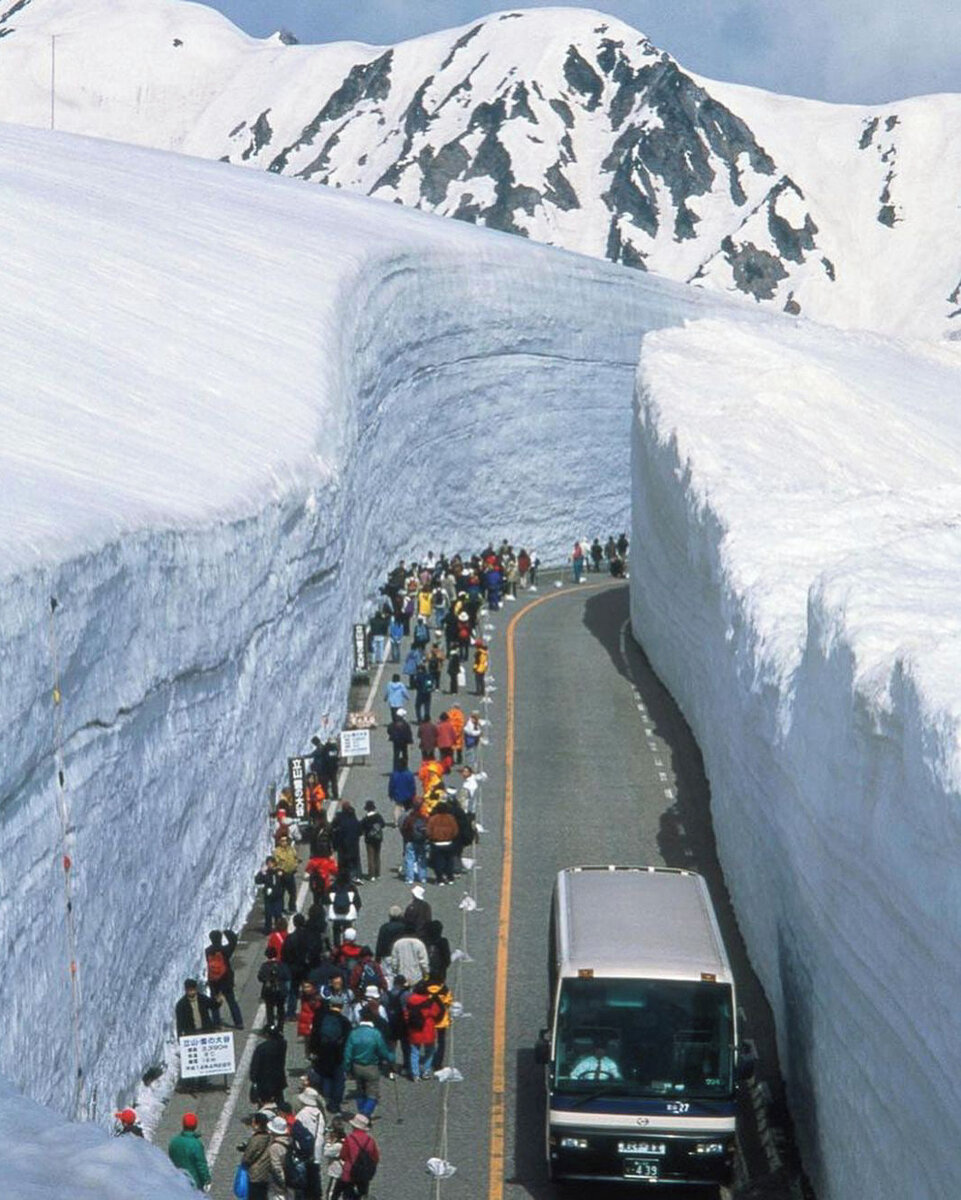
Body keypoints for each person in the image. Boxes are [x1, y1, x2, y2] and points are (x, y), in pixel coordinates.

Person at [342, 1005, 395, 1116]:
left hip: (356, 1066)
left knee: (360, 1092)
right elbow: (382, 1051)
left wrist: (347, 1068)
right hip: (372, 1066)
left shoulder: (354, 1033)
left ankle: (361, 1113)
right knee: (372, 1094)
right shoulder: (375, 1033)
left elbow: (347, 1053)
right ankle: (365, 1115)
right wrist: (390, 1058)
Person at [308, 995, 351, 1114]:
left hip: (323, 1052)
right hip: (338, 1054)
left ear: (330, 1005)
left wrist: (313, 1050)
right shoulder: (345, 1022)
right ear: (341, 1007)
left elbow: (314, 1035)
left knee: (326, 1076)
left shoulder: (322, 1018)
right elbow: (348, 1041)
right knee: (338, 1079)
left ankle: (326, 1098)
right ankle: (335, 1104)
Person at [404, 980, 444, 1080]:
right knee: (430, 1051)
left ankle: (415, 1074)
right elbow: (437, 1013)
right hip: (428, 1030)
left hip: (414, 1030)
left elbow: (406, 1015)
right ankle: (425, 1071)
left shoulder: (409, 1001)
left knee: (414, 1052)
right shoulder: (429, 1002)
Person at [205, 929, 244, 1030]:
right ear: (220, 938)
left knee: (214, 1002)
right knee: (232, 1002)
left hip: (214, 981)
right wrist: (226, 932)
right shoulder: (225, 950)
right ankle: (238, 1022)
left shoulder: (207, 951)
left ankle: (216, 1023)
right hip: (226, 980)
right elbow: (233, 940)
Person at [294, 1084, 326, 1200]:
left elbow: (296, 1131)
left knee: (303, 1177)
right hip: (316, 1150)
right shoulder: (319, 1114)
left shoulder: (302, 1114)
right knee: (315, 1176)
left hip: (304, 1150)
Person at [338, 1113, 379, 1199]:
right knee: (363, 1194)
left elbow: (343, 1155)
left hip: (349, 1172)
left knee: (348, 1194)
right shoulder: (370, 1140)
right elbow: (375, 1157)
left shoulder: (349, 1139)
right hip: (364, 1172)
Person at [168, 1111, 211, 1191]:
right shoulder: (196, 1144)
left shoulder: (174, 1141)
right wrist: (206, 1179)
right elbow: (201, 1164)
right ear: (195, 1125)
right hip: (193, 1182)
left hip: (177, 1181)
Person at [250, 1025, 288, 1107]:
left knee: (264, 1104)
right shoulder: (282, 1045)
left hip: (264, 1082)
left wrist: (253, 1078)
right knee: (280, 1101)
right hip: (278, 1079)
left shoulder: (261, 1048)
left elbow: (255, 1066)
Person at [239, 1110, 273, 1200]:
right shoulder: (270, 1137)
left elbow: (247, 1158)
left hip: (255, 1175)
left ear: (257, 1124)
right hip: (266, 1173)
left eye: (253, 1122)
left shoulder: (256, 1139)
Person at [258, 945, 291, 1032]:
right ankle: (280, 1027)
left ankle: (271, 1026)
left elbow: (260, 977)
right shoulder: (282, 965)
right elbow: (287, 976)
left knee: (270, 1010)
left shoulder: (265, 966)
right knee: (281, 1009)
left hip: (268, 991)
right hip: (281, 990)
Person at [325, 869, 362, 948]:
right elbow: (358, 902)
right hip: (348, 914)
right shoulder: (351, 887)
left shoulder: (333, 887)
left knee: (336, 931)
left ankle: (337, 948)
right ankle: (347, 947)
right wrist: (356, 911)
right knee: (348, 930)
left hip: (336, 913)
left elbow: (325, 900)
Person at [330, 801, 363, 883]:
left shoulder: (339, 818)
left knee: (343, 862)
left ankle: (343, 876)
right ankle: (357, 875)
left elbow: (333, 830)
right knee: (355, 861)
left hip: (342, 845)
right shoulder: (354, 819)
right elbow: (360, 831)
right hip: (354, 844)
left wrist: (335, 844)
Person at [389, 921, 429, 986]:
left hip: (402, 979)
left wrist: (395, 972)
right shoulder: (419, 944)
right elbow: (424, 963)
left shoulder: (397, 944)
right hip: (417, 979)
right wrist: (426, 974)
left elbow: (394, 963)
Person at [255, 856, 285, 935]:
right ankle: (268, 929)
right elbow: (257, 881)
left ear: (274, 863)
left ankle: (279, 929)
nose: (269, 865)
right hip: (268, 898)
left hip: (278, 897)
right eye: (268, 863)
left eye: (271, 863)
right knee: (268, 914)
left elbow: (285, 878)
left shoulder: (278, 871)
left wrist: (282, 874)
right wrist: (261, 873)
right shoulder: (265, 873)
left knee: (278, 914)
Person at [266, 1114, 291, 1200]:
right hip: (290, 1177)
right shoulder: (290, 1140)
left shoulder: (275, 1147)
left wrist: (281, 1184)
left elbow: (276, 1168)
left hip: (279, 1183)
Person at [274, 834, 299, 914]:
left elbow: (295, 858)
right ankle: (280, 909)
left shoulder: (291, 849)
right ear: (279, 842)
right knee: (281, 893)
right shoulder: (277, 851)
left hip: (290, 874)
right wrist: (278, 870)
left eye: (286, 840)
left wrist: (295, 865)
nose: (284, 842)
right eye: (282, 841)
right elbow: (275, 863)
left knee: (293, 892)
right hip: (282, 875)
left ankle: (292, 908)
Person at [361, 800, 385, 880]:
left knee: (370, 856)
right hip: (378, 838)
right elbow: (383, 824)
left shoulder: (365, 819)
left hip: (369, 839)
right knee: (377, 855)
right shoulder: (378, 816)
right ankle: (377, 873)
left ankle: (371, 875)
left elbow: (361, 828)